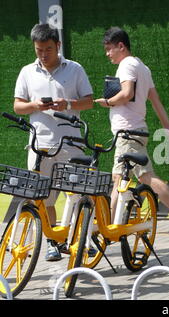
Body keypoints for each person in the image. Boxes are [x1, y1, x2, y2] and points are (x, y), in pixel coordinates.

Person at [94, 27, 169, 237]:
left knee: (126, 178)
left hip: (128, 132)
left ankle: (108, 231)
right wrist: (167, 126)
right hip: (137, 131)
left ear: (121, 46)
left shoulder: (126, 65)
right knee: (135, 177)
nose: (107, 54)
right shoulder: (142, 67)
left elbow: (127, 93)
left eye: (109, 49)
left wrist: (108, 102)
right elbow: (155, 100)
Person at [13, 24, 94, 261]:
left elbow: (88, 101)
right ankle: (53, 243)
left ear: (58, 45)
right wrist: (35, 106)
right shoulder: (27, 71)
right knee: (42, 197)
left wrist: (67, 104)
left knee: (75, 195)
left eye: (48, 49)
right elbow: (18, 105)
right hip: (39, 146)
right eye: (39, 50)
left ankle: (78, 240)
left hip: (71, 145)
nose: (43, 54)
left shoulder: (75, 69)